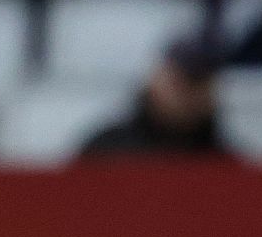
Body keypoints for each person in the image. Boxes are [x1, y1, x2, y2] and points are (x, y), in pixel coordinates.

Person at [78, 35, 231, 159]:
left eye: (197, 82)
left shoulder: (228, 167)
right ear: (155, 79)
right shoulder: (104, 152)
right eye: (176, 81)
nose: (185, 92)